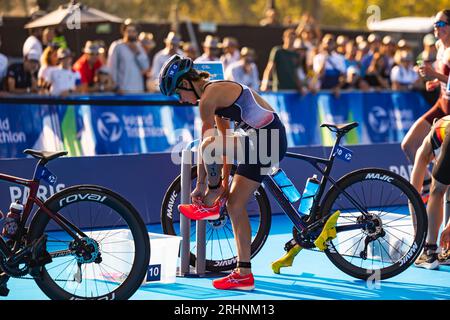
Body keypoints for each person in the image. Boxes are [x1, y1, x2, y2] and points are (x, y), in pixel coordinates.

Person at [159, 54, 288, 290]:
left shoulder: (209, 98)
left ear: (186, 83)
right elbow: (224, 149)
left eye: (178, 93)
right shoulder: (215, 101)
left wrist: (202, 187)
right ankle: (243, 273)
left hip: (267, 140)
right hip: (259, 141)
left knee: (207, 145)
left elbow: (208, 144)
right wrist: (224, 185)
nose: (180, 100)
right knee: (234, 205)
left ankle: (209, 203)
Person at [402, 9, 450, 205]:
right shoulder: (439, 45)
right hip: (442, 103)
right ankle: (429, 183)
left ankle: (434, 187)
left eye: (440, 24)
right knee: (409, 144)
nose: (436, 28)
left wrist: (436, 76)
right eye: (434, 24)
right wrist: (435, 82)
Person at [411, 115, 450, 269]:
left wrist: (418, 238)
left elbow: (412, 194)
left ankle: (429, 252)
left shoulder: (426, 147)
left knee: (437, 191)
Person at [108, 20, 149, 93]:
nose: (131, 34)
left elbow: (146, 67)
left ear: (136, 33)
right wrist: (116, 86)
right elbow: (112, 67)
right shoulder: (117, 46)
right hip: (122, 90)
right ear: (124, 32)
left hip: (138, 90)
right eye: (129, 31)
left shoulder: (139, 47)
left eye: (133, 31)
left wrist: (137, 52)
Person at [261, 28, 304, 92]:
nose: (292, 40)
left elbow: (297, 73)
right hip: (280, 89)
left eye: (294, 38)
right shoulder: (277, 51)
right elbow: (269, 68)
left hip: (294, 90)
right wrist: (265, 83)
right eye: (290, 38)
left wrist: (301, 87)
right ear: (284, 38)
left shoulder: (296, 55)